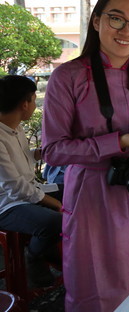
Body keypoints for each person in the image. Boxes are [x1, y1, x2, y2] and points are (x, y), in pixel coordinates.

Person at [42, 0, 129, 312]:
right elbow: (53, 151)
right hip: (92, 199)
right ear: (96, 21)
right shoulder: (68, 76)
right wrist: (118, 142)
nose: (126, 31)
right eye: (116, 19)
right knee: (97, 289)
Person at [0, 75, 62, 288]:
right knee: (54, 221)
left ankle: (50, 249)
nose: (35, 105)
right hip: (7, 204)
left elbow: (25, 158)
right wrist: (54, 204)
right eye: (35, 100)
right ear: (24, 104)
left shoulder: (14, 129)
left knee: (76, 193)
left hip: (27, 192)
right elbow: (14, 187)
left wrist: (44, 152)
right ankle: (34, 256)